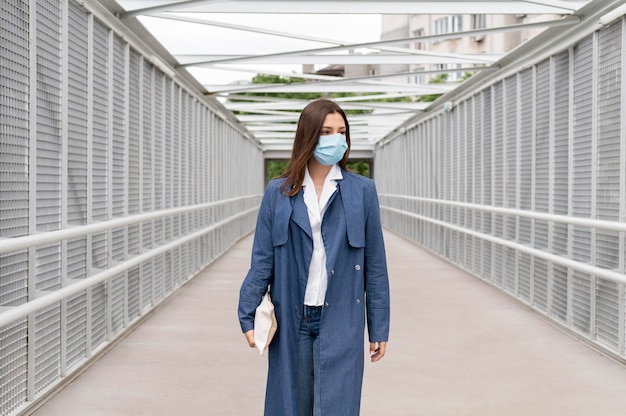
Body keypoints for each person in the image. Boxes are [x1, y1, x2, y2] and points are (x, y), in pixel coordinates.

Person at [238, 98, 390, 416]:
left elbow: (375, 265)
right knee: (291, 404)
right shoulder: (278, 193)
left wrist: (379, 327)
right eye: (326, 131)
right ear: (309, 135)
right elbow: (262, 259)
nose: (336, 139)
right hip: (294, 317)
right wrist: (247, 313)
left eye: (341, 132)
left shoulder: (362, 192)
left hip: (342, 317)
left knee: (337, 405)